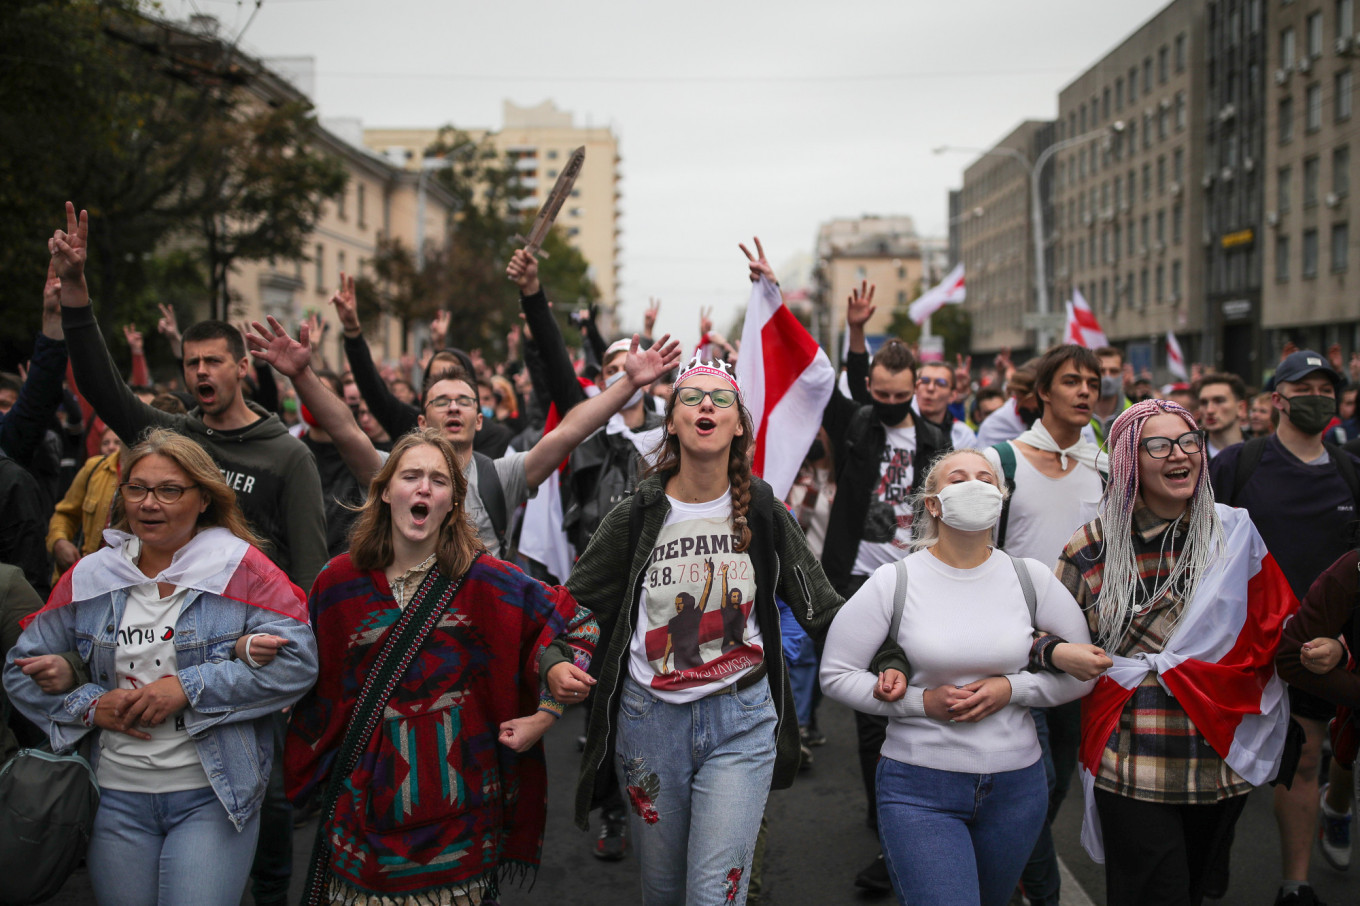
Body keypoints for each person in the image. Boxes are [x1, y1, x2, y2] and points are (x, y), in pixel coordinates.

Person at [564, 249, 893, 906]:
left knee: (714, 894)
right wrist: (553, 664)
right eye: (692, 399)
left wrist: (888, 655)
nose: (707, 407)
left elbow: (821, 606)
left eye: (721, 399)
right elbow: (574, 604)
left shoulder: (765, 506)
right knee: (664, 891)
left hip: (742, 720)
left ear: (739, 421)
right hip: (648, 721)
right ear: (676, 419)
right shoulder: (638, 511)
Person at [4, 428, 318, 906]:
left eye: (169, 490)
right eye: (137, 488)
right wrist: (91, 705)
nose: (150, 503)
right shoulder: (93, 575)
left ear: (203, 499)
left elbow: (299, 661)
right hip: (113, 797)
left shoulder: (241, 567)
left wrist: (188, 688)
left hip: (212, 796)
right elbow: (19, 671)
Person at [284, 428, 597, 905]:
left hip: (462, 825)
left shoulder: (487, 581)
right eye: (411, 476)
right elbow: (310, 686)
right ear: (386, 490)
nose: (424, 487)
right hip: (362, 824)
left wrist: (546, 710)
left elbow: (577, 621)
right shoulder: (338, 584)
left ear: (454, 501)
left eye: (438, 479)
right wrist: (250, 651)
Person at [819, 448, 1096, 906]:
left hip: (1016, 790)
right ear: (932, 503)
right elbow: (836, 674)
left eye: (985, 478)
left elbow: (1084, 671)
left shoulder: (1033, 579)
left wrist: (1014, 689)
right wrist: (920, 703)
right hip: (917, 787)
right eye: (958, 478)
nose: (974, 485)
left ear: (1001, 498)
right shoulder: (894, 581)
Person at [250, 277, 681, 561]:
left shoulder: (503, 475)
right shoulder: (391, 473)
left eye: (465, 401)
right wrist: (302, 374)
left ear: (480, 420)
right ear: (422, 421)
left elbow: (570, 431)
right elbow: (345, 430)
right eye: (442, 401)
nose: (454, 407)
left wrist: (627, 384)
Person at [1058, 400, 1297, 906]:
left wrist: (1317, 647)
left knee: (1194, 890)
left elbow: (1273, 627)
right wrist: (1058, 654)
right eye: (1159, 445)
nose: (1179, 454)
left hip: (1220, 758)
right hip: (1132, 762)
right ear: (1128, 460)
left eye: (1190, 441)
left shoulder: (1232, 537)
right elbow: (1042, 636)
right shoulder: (1092, 546)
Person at [1210, 349, 1360, 906]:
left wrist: (1343, 642)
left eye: (1327, 387)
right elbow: (1200, 551)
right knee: (1222, 763)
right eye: (1306, 387)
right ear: (1278, 399)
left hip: (1314, 651)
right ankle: (1203, 873)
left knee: (1304, 756)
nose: (1318, 396)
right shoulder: (1237, 464)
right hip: (1235, 648)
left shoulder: (1349, 474)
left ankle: (1295, 886)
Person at [981, 343, 1107, 906]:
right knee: (1040, 780)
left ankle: (1001, 855)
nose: (1085, 392)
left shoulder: (1104, 468)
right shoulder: (1001, 461)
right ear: (1043, 393)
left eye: (1093, 383)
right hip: (1013, 641)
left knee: (1060, 769)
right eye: (1072, 381)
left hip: (1078, 646)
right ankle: (1031, 886)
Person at [1277, 546, 1360, 874]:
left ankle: (1336, 805)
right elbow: (1290, 658)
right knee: (1307, 759)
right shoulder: (1352, 569)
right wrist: (1341, 651)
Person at [1196, 372, 1249, 458]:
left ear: (1241, 408)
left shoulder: (1261, 453)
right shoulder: (1191, 455)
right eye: (1204, 403)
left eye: (1219, 401)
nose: (1209, 410)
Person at [1090, 346, 1133, 444]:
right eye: (1102, 371)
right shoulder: (1077, 415)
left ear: (1122, 374)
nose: (1107, 378)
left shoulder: (1133, 417)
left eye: (1113, 371)